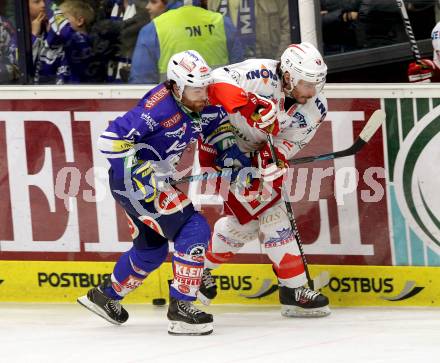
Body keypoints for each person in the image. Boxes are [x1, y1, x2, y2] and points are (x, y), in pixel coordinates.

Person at [77, 50, 250, 335]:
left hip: (144, 184)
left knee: (151, 250)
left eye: (205, 87)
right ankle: (182, 307)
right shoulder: (158, 109)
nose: (204, 95)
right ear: (175, 86)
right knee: (193, 228)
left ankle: (105, 296)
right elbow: (109, 140)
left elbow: (215, 126)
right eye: (196, 89)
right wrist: (138, 170)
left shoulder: (198, 101)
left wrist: (229, 153)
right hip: (136, 185)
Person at [198, 42, 331, 317]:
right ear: (289, 76)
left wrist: (275, 158)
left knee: (246, 224)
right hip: (222, 143)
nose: (311, 92)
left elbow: (292, 142)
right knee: (273, 214)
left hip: (257, 153)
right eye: (306, 83)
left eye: (317, 84)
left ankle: (199, 269)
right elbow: (213, 83)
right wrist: (250, 105)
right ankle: (293, 290)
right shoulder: (259, 73)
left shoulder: (316, 107)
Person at [129, 0, 243, 84]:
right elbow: (241, 73)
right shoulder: (222, 23)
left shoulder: (153, 29)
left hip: (174, 109)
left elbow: (140, 84)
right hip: (220, 107)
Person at [207, 0, 291, 59]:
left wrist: (279, 63)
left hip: (267, 64)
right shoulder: (214, 2)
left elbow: (289, 27)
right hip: (230, 67)